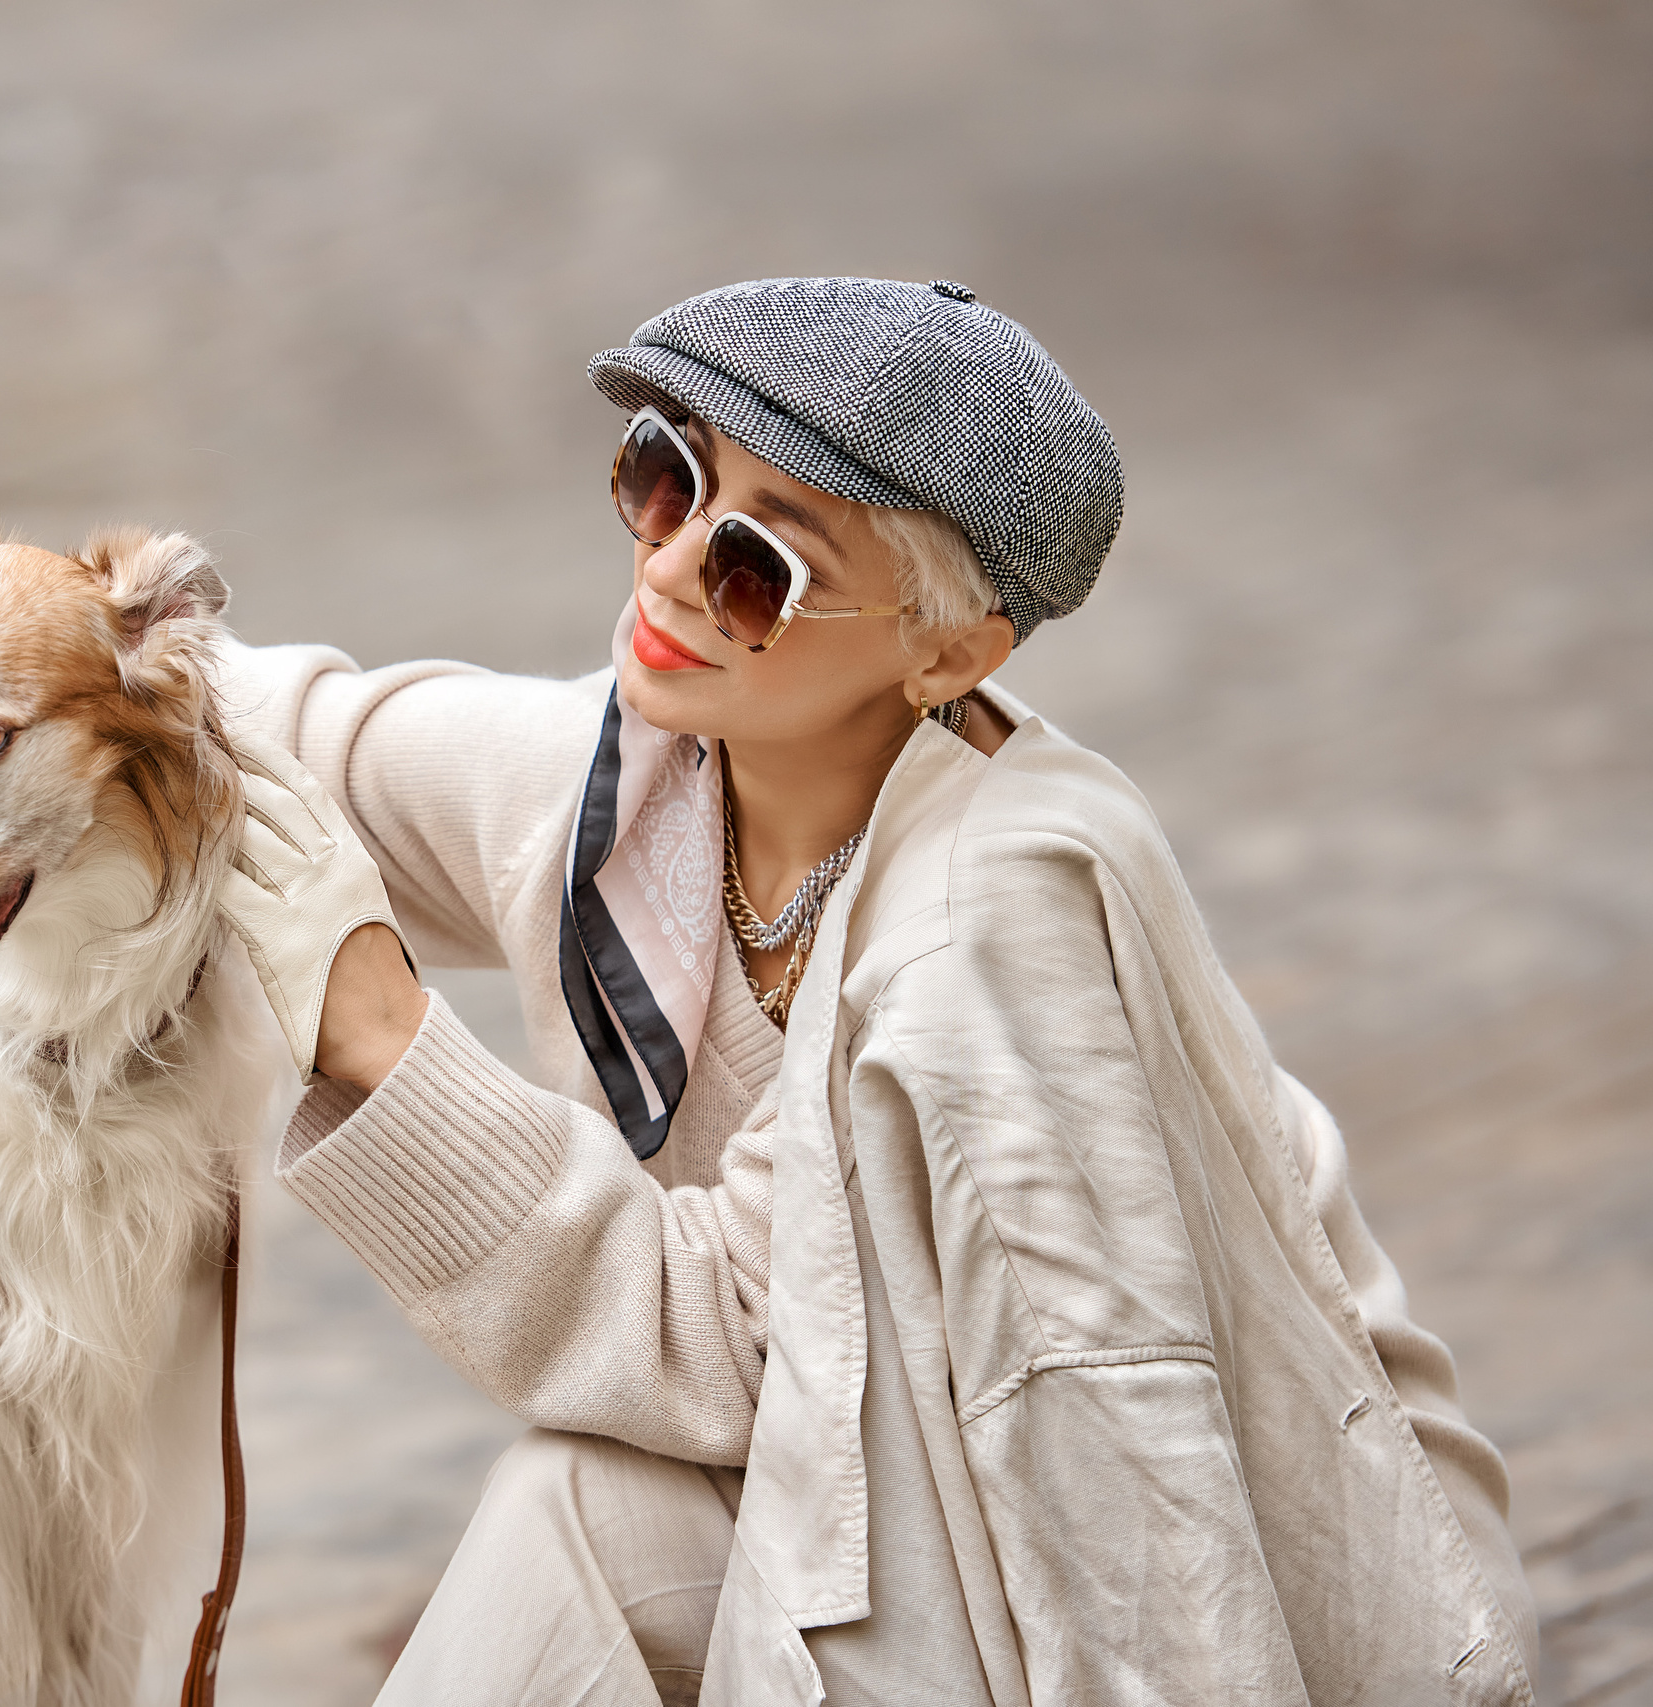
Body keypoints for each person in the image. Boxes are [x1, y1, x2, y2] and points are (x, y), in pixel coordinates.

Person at [213, 277, 1538, 1706]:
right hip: (864, 1470)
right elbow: (277, 737)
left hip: (1116, 1563)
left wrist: (383, 1034)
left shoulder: (999, 926)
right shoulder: (648, 774)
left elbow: (744, 1351)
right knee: (574, 1513)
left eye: (756, 570)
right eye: (669, 481)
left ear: (952, 653)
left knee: (589, 1501)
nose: (667, 572)